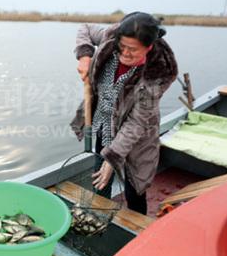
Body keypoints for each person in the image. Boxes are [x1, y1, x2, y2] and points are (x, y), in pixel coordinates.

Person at [70, 12, 178, 215]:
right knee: (100, 180)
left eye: (133, 50)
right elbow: (84, 28)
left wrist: (114, 157)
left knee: (134, 189)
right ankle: (98, 218)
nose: (125, 54)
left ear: (149, 46)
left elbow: (136, 122)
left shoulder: (157, 73)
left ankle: (137, 229)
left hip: (137, 137)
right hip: (105, 124)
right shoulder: (110, 37)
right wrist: (85, 55)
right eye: (122, 47)